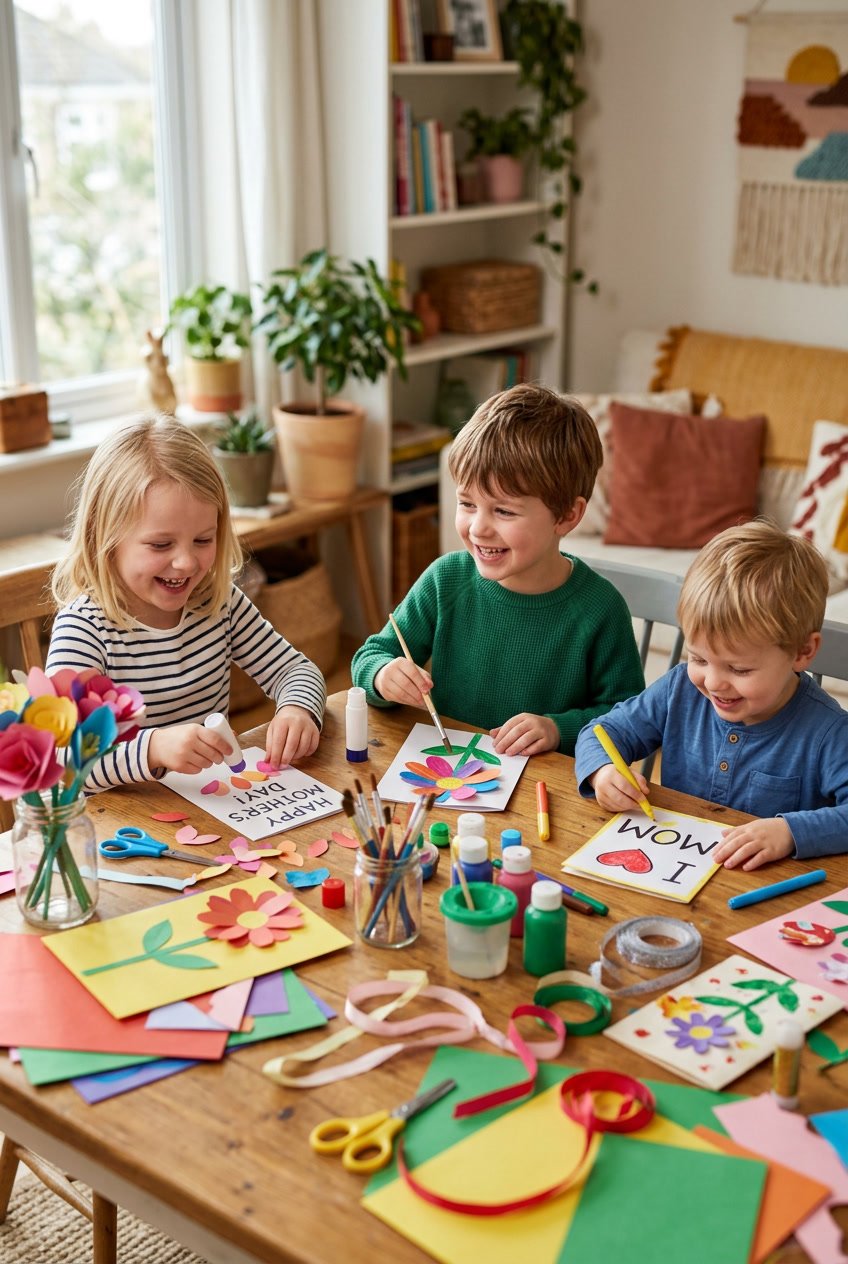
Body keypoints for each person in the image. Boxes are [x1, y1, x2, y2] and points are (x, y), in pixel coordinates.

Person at [351, 383, 644, 756]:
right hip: (450, 777)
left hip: (550, 795)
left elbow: (630, 722)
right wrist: (383, 675)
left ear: (567, 516)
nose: (478, 528)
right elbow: (370, 655)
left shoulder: (600, 610)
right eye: (467, 503)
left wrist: (558, 730)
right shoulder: (445, 579)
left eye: (503, 511)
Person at [47, 414, 325, 790]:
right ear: (105, 538)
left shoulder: (218, 602)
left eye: (203, 539)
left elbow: (295, 669)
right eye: (161, 545)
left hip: (208, 808)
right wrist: (153, 749)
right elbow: (66, 758)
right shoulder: (85, 628)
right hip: (122, 823)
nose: (186, 562)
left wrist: (298, 708)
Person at [574, 521, 848, 868]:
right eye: (699, 658)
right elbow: (600, 733)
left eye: (739, 669)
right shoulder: (680, 689)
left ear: (802, 652)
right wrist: (603, 773)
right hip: (669, 867)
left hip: (767, 898)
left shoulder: (829, 732)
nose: (714, 682)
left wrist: (789, 832)